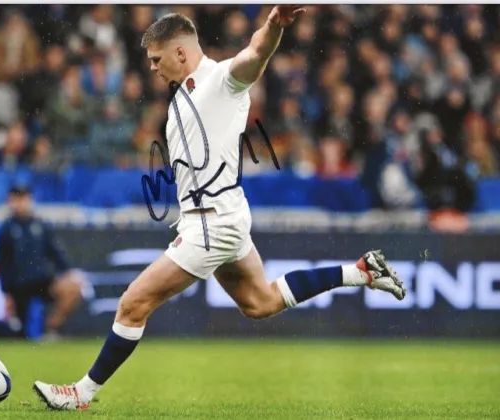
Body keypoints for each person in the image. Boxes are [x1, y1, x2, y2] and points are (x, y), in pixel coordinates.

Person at [33, 6, 406, 410]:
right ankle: (361, 271)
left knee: (132, 303)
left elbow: (254, 56)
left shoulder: (220, 80)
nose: (152, 69)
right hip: (218, 217)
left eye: (157, 59)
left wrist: (273, 26)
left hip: (214, 224)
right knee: (260, 302)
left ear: (180, 53)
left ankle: (81, 394)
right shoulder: (181, 99)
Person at [0, 184, 84, 340]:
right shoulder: (7, 229)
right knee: (18, 334)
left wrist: (68, 272)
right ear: (10, 201)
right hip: (19, 286)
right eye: (16, 198)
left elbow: (56, 252)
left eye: (24, 198)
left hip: (43, 281)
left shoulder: (40, 225)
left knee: (73, 289)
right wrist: (6, 292)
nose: (20, 203)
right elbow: (2, 263)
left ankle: (50, 329)